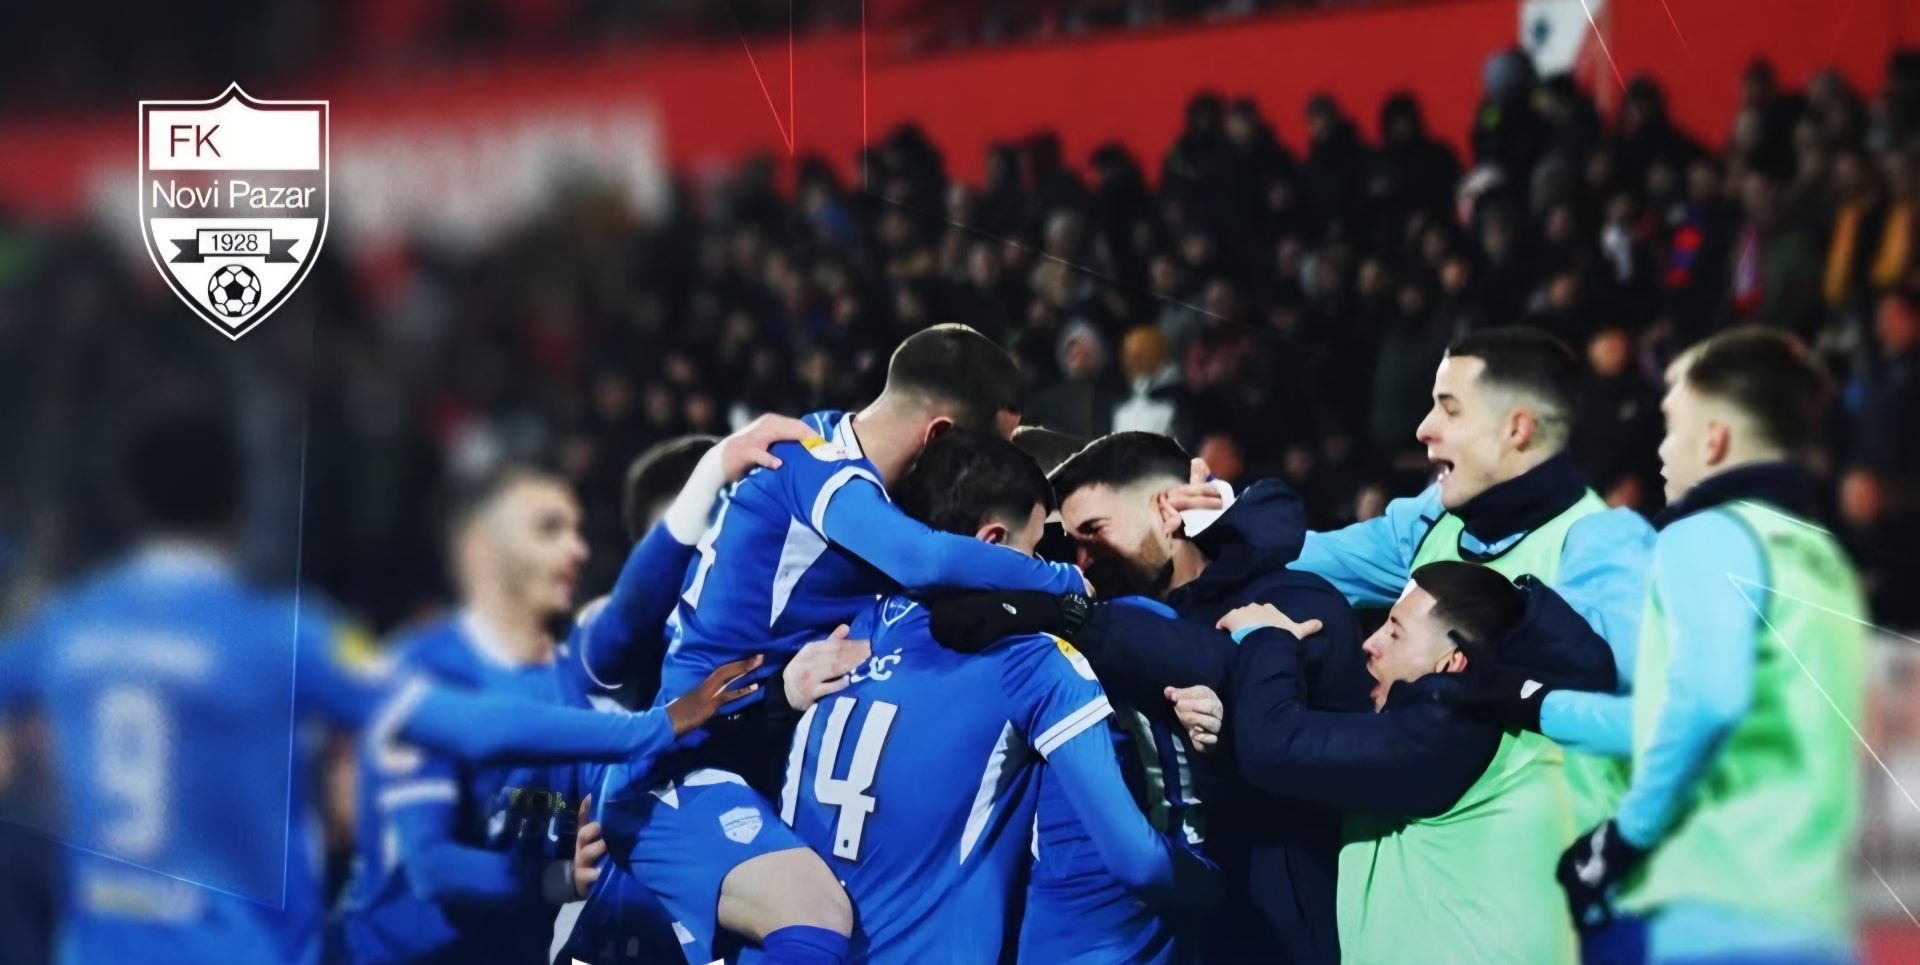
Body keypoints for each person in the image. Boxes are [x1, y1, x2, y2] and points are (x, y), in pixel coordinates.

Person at [0, 406, 753, 965]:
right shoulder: (287, 637)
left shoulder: (66, 627)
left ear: (130, 508)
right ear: (239, 509)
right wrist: (653, 725)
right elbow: (472, 727)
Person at [585, 324, 1090, 965]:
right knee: (816, 917)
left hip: (737, 761)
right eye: (991, 449)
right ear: (939, 435)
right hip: (679, 771)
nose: (992, 472)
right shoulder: (820, 467)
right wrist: (1065, 582)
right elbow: (926, 560)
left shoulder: (851, 474)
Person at [1484, 329, 1867, 965]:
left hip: (1715, 911)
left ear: (1714, 438)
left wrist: (1620, 840)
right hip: (1812, 915)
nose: (1660, 451)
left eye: (1671, 427)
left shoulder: (1706, 535)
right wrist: (1538, 702)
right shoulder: (1818, 553)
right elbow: (1690, 720)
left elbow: (1707, 702)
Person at [776, 429, 1215, 963]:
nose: (1057, 565)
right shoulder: (1032, 661)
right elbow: (1137, 861)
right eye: (1036, 549)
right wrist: (1221, 890)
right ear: (991, 542)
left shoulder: (852, 631)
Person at [928, 431, 1367, 964]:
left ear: (1164, 511)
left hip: (1283, 927)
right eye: (1071, 542)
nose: (1082, 560)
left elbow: (1229, 667)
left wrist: (1074, 618)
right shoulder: (1097, 632)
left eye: (1096, 531)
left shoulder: (1291, 598)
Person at [1291, 328, 1654, 836]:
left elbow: (1639, 712)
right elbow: (1300, 557)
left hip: (1507, 880)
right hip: (1387, 869)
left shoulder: (1604, 544)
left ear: (1517, 428)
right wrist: (1211, 518)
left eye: (1450, 409)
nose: (1424, 429)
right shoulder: (1437, 517)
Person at [1171, 561, 1614, 964]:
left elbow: (1275, 749)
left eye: (1395, 633)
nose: (1370, 643)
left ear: (1452, 661)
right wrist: (1222, 739)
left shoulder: (1449, 731)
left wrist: (1267, 638)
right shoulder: (1463, 724)